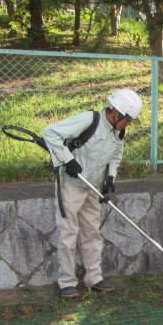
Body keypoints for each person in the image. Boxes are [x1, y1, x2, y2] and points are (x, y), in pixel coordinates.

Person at [42, 89, 143, 299]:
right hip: (70, 184)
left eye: (130, 121)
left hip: (92, 186)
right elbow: (49, 133)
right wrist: (67, 160)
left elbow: (116, 156)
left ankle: (94, 278)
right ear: (115, 112)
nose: (128, 124)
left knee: (92, 232)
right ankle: (67, 283)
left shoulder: (118, 131)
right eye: (126, 119)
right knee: (69, 233)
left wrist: (110, 179)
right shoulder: (89, 120)